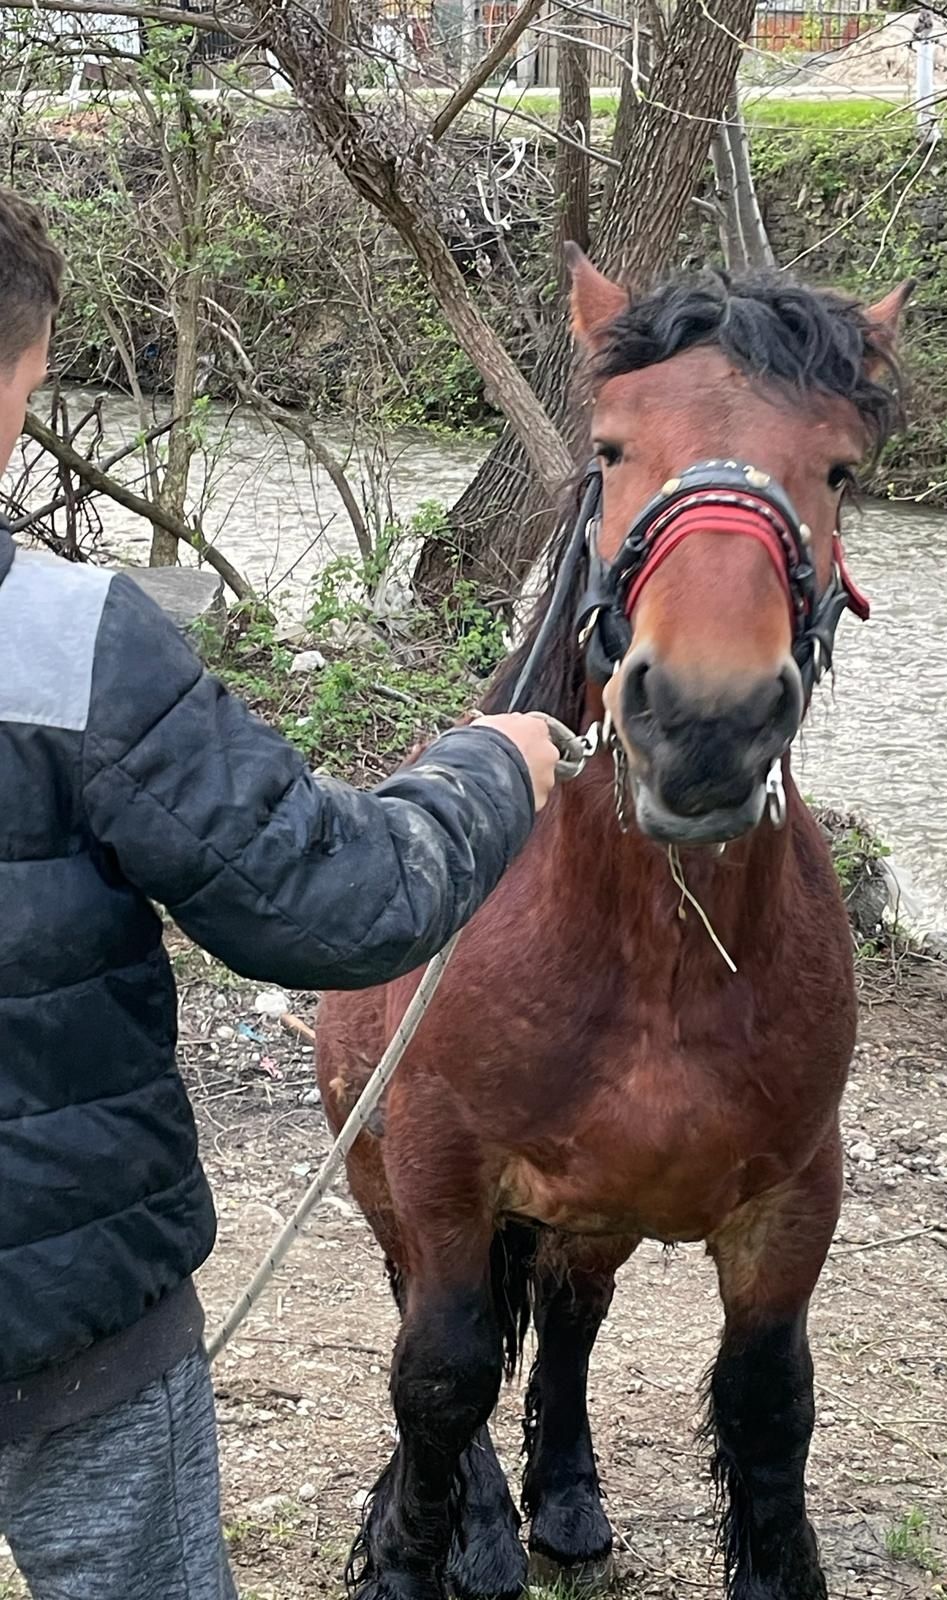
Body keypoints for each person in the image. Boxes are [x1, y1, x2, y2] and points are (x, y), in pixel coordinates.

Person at [0, 188, 559, 1600]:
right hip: (66, 1336)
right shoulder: (67, 642)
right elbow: (335, 907)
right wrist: (490, 769)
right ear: (23, 368)